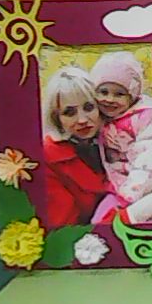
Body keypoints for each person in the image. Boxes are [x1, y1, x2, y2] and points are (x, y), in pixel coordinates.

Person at [89, 51, 152, 224]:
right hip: (119, 186)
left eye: (119, 94)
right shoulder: (101, 116)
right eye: (103, 92)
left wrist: (130, 195)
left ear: (132, 97)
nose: (109, 99)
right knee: (98, 221)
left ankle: (127, 217)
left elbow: (149, 159)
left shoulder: (145, 117)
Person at [40, 66, 111, 228]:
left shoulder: (122, 139)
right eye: (69, 112)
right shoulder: (48, 157)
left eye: (89, 108)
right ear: (56, 118)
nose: (82, 120)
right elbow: (65, 229)